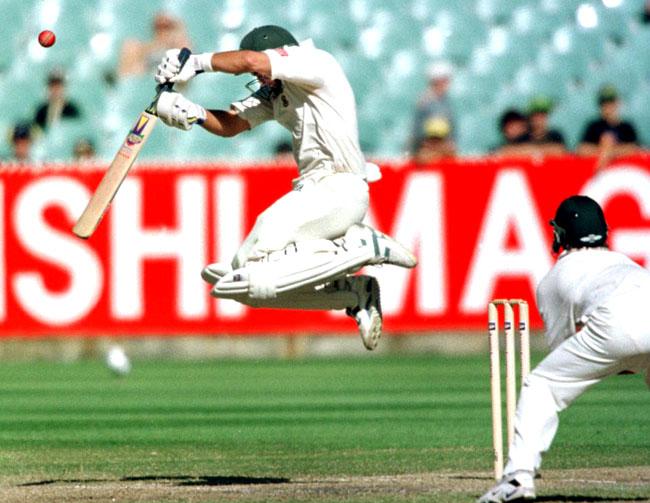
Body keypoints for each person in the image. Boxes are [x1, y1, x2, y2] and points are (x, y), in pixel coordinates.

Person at [152, 25, 416, 350]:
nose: (261, 81)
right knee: (247, 279)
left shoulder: (313, 62)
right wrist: (190, 112)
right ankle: (354, 294)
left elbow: (250, 61)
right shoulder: (275, 93)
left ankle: (364, 244)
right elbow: (232, 124)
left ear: (279, 54)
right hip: (314, 194)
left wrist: (195, 62)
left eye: (264, 72)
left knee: (262, 240)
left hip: (339, 188)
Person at [478, 195, 650, 503]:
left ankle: (518, 478)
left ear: (560, 235)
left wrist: (613, 360)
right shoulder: (623, 261)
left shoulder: (552, 281)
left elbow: (564, 354)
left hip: (616, 321)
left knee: (542, 386)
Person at [577, 85, 640, 170]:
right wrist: (606, 150)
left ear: (617, 103)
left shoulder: (627, 127)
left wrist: (608, 151)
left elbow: (635, 149)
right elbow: (582, 149)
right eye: (604, 104)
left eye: (611, 103)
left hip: (624, 170)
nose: (608, 107)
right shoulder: (593, 126)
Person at [117, 11, 191, 79]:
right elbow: (125, 73)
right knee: (130, 46)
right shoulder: (138, 47)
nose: (162, 32)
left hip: (164, 78)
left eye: (166, 27)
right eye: (158, 27)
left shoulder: (181, 46)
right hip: (145, 75)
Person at [408, 60, 455, 157]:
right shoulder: (424, 103)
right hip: (426, 148)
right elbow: (417, 133)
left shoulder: (446, 102)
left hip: (443, 147)